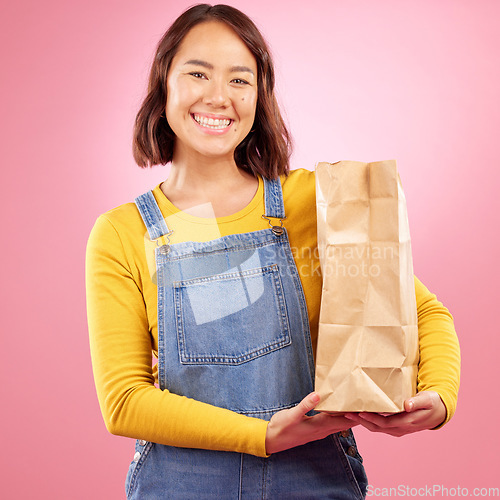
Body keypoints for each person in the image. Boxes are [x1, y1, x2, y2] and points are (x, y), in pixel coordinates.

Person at [85, 4, 460, 499]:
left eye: (241, 80)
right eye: (198, 73)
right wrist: (262, 435)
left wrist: (439, 397)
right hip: (180, 485)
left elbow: (424, 310)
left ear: (260, 98)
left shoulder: (317, 203)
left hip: (313, 479)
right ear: (165, 84)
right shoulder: (122, 232)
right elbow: (124, 402)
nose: (218, 96)